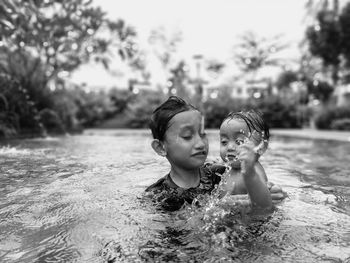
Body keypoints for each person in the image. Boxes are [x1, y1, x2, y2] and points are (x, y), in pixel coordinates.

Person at [145, 96, 273, 211]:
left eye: (202, 135)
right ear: (160, 147)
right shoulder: (158, 195)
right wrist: (219, 207)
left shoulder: (218, 173)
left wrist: (270, 192)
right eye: (187, 136)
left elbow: (260, 198)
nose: (200, 144)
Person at [214, 110, 286, 204]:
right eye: (224, 142)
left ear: (261, 147)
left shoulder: (253, 169)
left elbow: (262, 204)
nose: (230, 147)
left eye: (239, 142)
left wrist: (250, 173)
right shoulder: (227, 168)